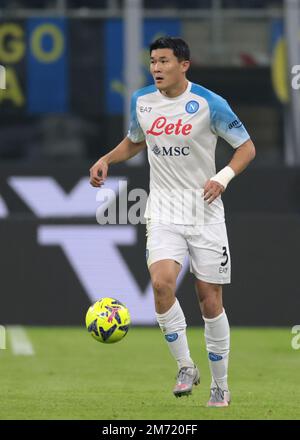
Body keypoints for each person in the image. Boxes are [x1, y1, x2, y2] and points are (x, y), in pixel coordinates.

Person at [90, 37, 256, 407]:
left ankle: (220, 385)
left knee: (209, 300)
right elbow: (136, 140)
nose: (157, 68)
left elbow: (246, 147)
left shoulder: (210, 104)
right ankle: (185, 366)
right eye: (152, 62)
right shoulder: (143, 101)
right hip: (163, 209)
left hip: (204, 210)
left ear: (184, 65)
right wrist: (107, 159)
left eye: (164, 61)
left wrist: (222, 178)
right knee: (162, 285)